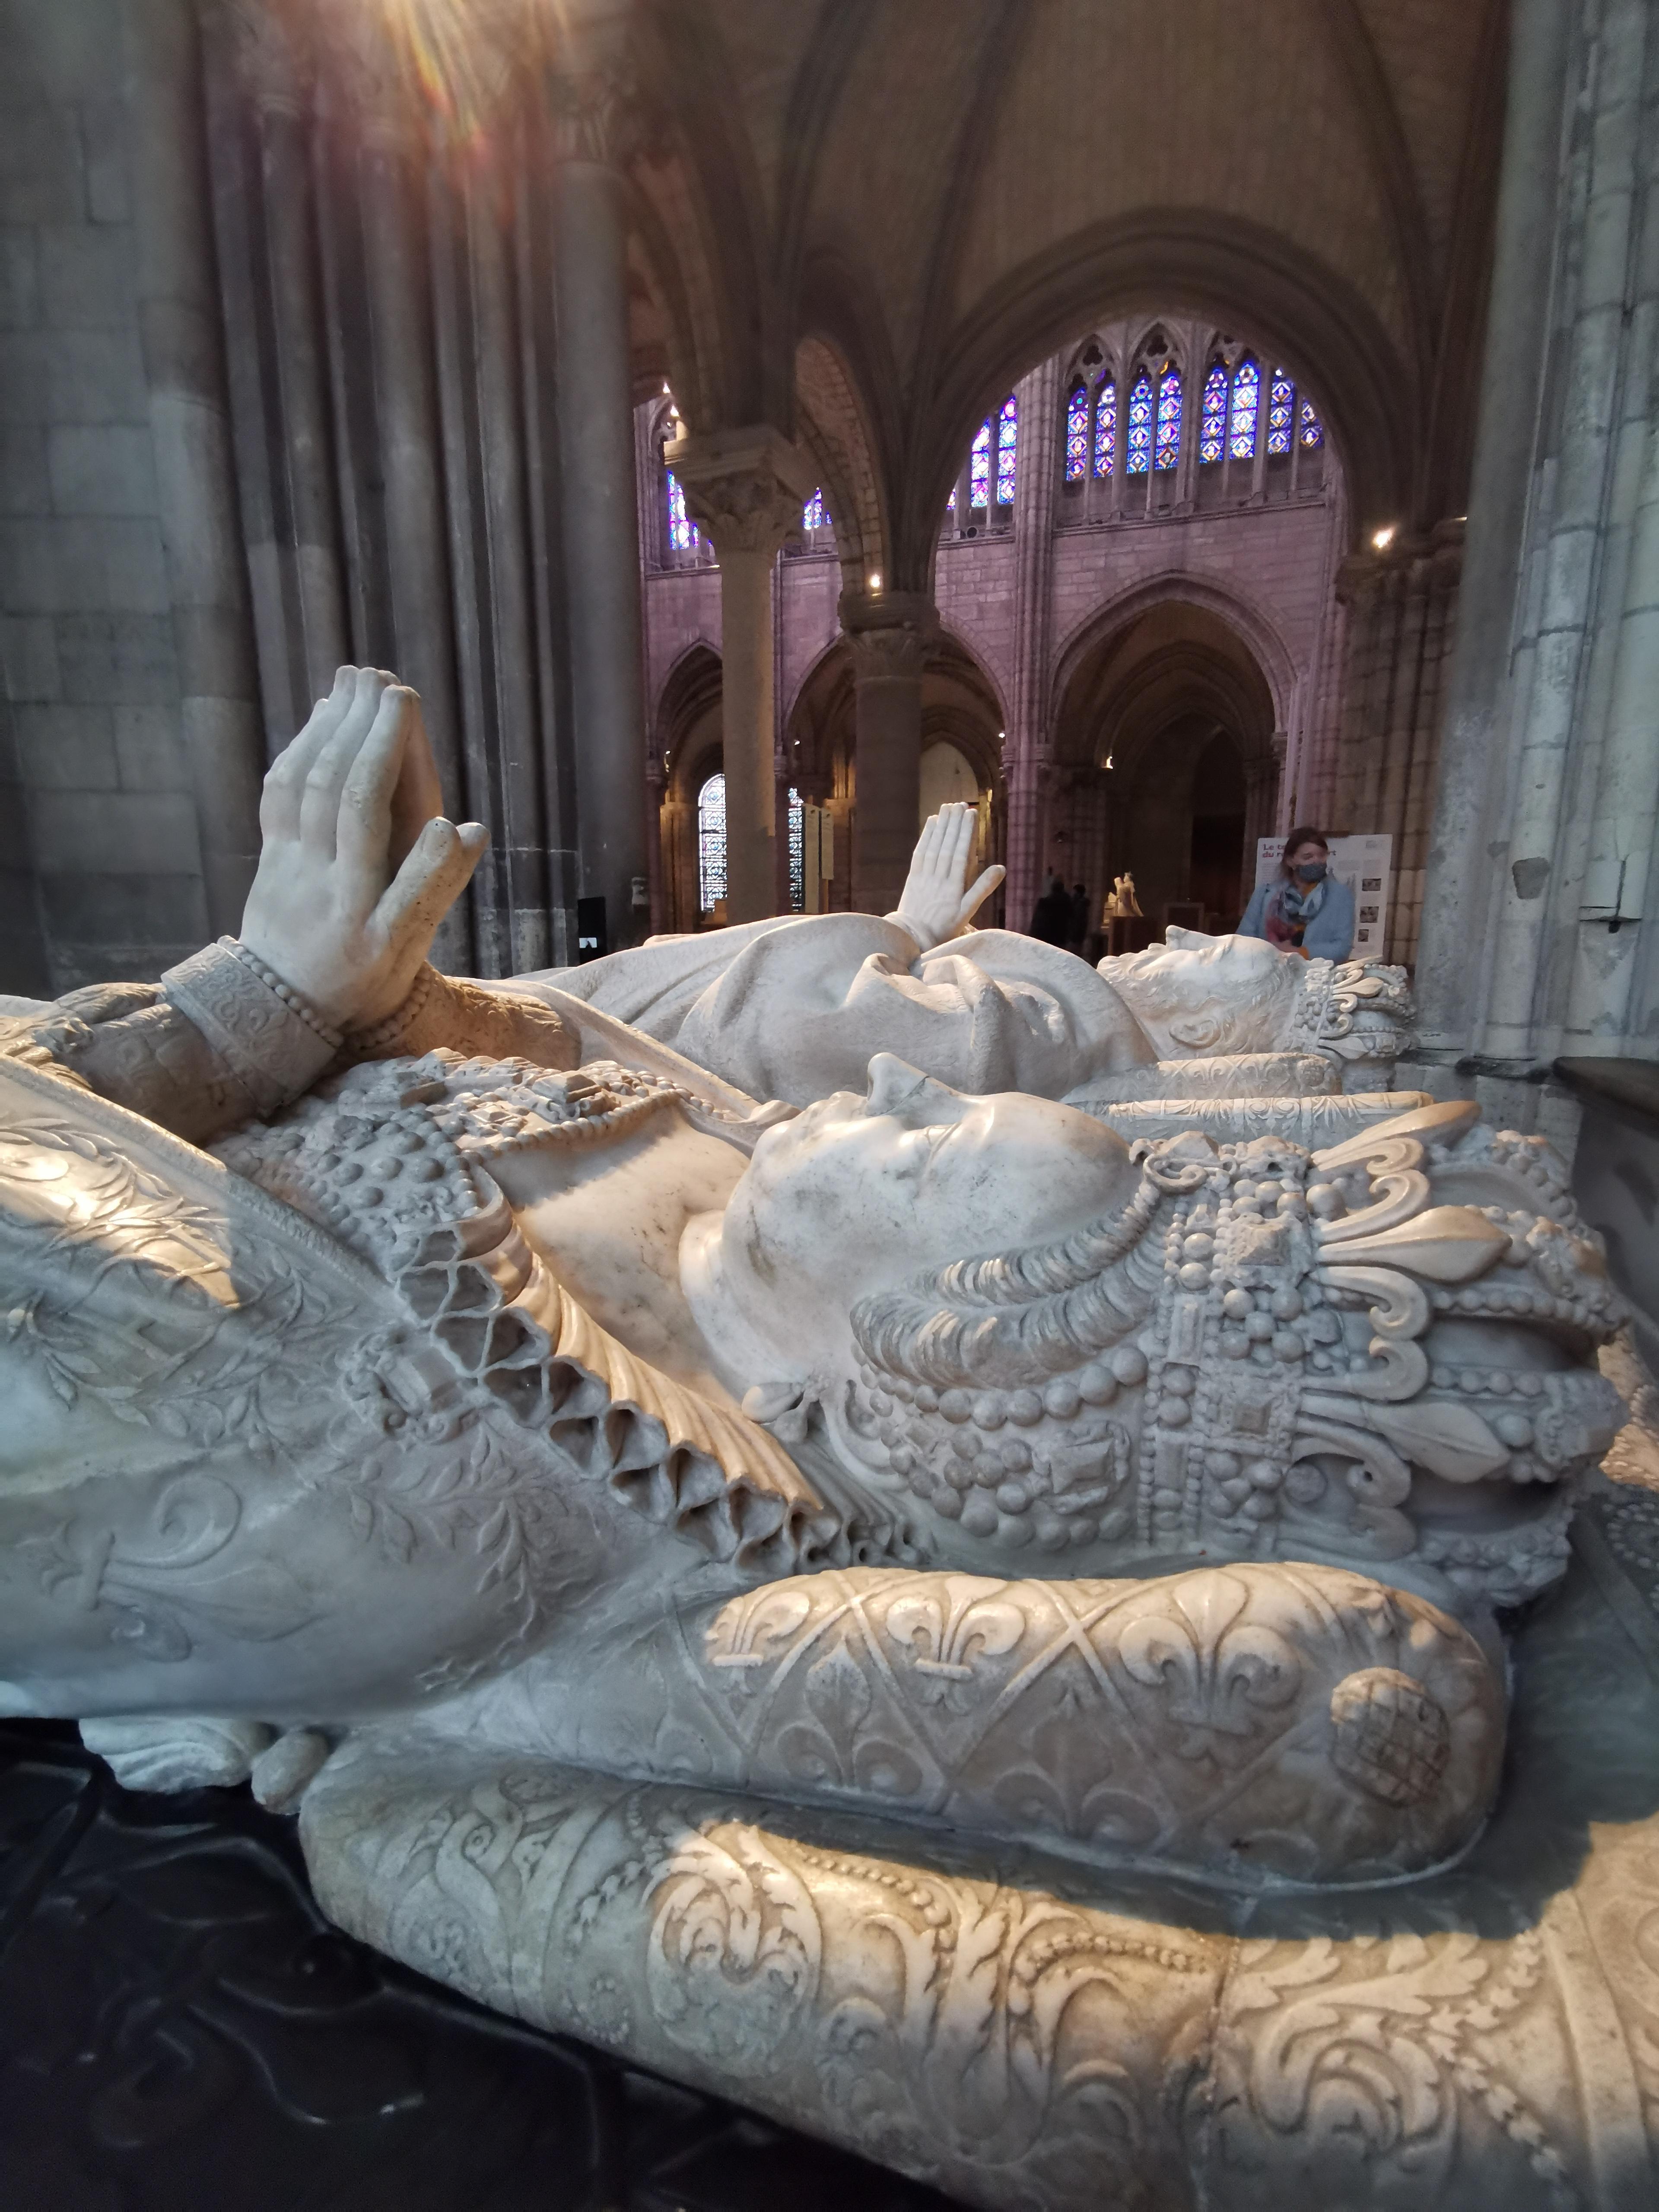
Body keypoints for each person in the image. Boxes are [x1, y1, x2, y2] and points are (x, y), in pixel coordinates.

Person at [1238, 826, 1355, 959]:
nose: (1316, 861)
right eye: (1308, 857)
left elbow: (1342, 946)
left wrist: (1299, 953)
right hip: (1267, 970)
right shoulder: (1265, 894)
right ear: (1291, 861)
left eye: (1322, 855)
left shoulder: (1340, 895)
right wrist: (1271, 951)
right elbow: (1243, 941)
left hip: (1315, 974)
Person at [1028, 872, 1071, 945]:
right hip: (1060, 934)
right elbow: (1071, 916)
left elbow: (1037, 921)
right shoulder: (1067, 900)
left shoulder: (1046, 901)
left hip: (1047, 935)